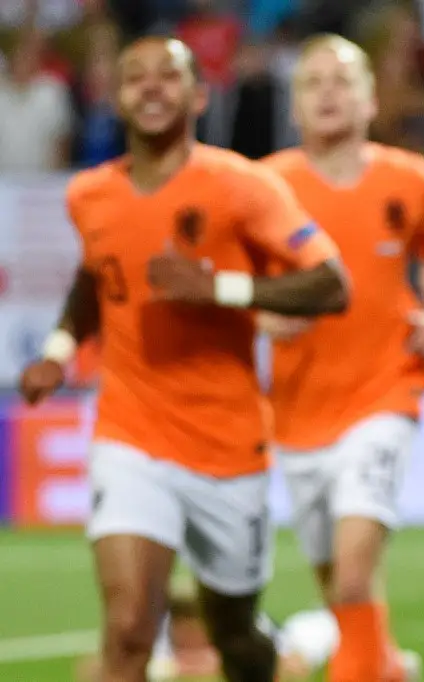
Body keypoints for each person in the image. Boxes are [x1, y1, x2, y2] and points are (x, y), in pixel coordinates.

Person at [18, 37, 348, 682]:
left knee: (232, 635)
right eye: (134, 76)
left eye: (168, 76)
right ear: (116, 97)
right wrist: (59, 350)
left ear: (198, 95)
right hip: (130, 434)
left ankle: (276, 656)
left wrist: (220, 288)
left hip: (228, 448)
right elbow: (95, 278)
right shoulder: (89, 194)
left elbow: (331, 283)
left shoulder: (242, 185)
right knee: (129, 628)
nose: (150, 87)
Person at [259, 34, 424, 682]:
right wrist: (265, 314)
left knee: (350, 576)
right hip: (298, 409)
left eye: (342, 79)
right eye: (312, 81)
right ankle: (386, 667)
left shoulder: (409, 177)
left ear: (371, 99)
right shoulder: (266, 185)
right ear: (294, 106)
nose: (327, 92)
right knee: (340, 590)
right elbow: (232, 281)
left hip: (385, 393)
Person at [76, 578, 339, 682]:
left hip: (290, 635)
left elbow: (293, 667)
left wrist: (189, 668)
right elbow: (91, 669)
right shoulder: (156, 630)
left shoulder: (241, 627)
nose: (190, 637)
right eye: (183, 628)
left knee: (328, 630)